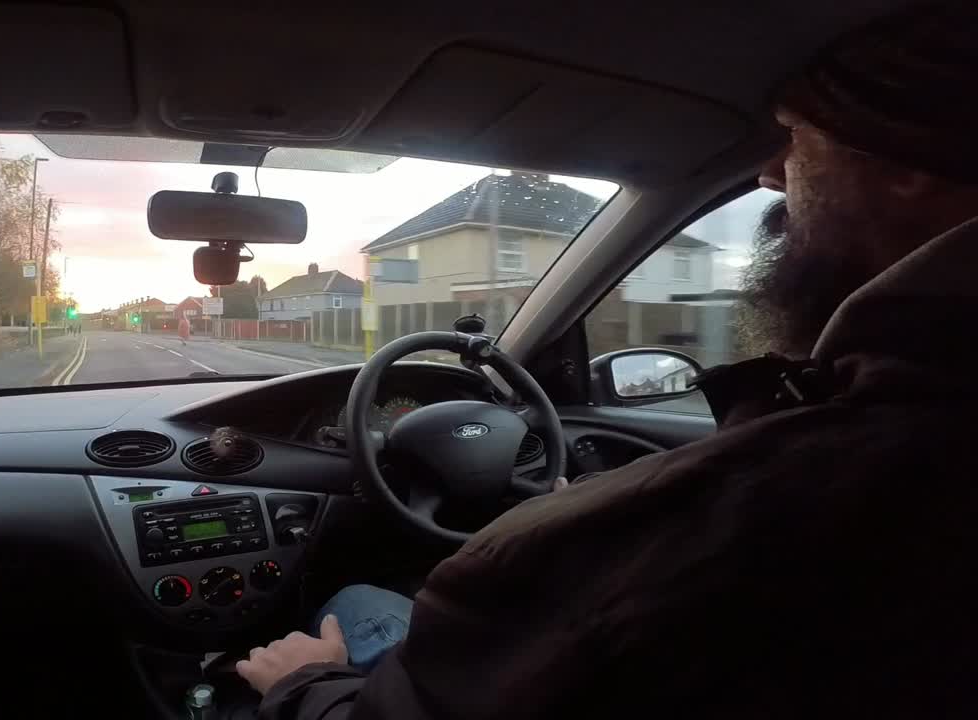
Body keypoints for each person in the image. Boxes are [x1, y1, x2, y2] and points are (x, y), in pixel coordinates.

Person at [236, 5, 978, 717]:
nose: (770, 173)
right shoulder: (893, 451)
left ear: (905, 157)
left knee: (355, 604)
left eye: (795, 137)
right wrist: (578, 511)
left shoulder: (800, 486)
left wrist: (305, 682)